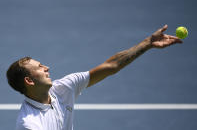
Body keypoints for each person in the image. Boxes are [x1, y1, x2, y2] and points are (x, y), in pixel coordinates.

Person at [6, 25, 182, 130]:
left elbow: (111, 66)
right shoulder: (29, 124)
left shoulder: (64, 88)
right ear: (29, 81)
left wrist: (147, 43)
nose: (47, 68)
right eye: (40, 67)